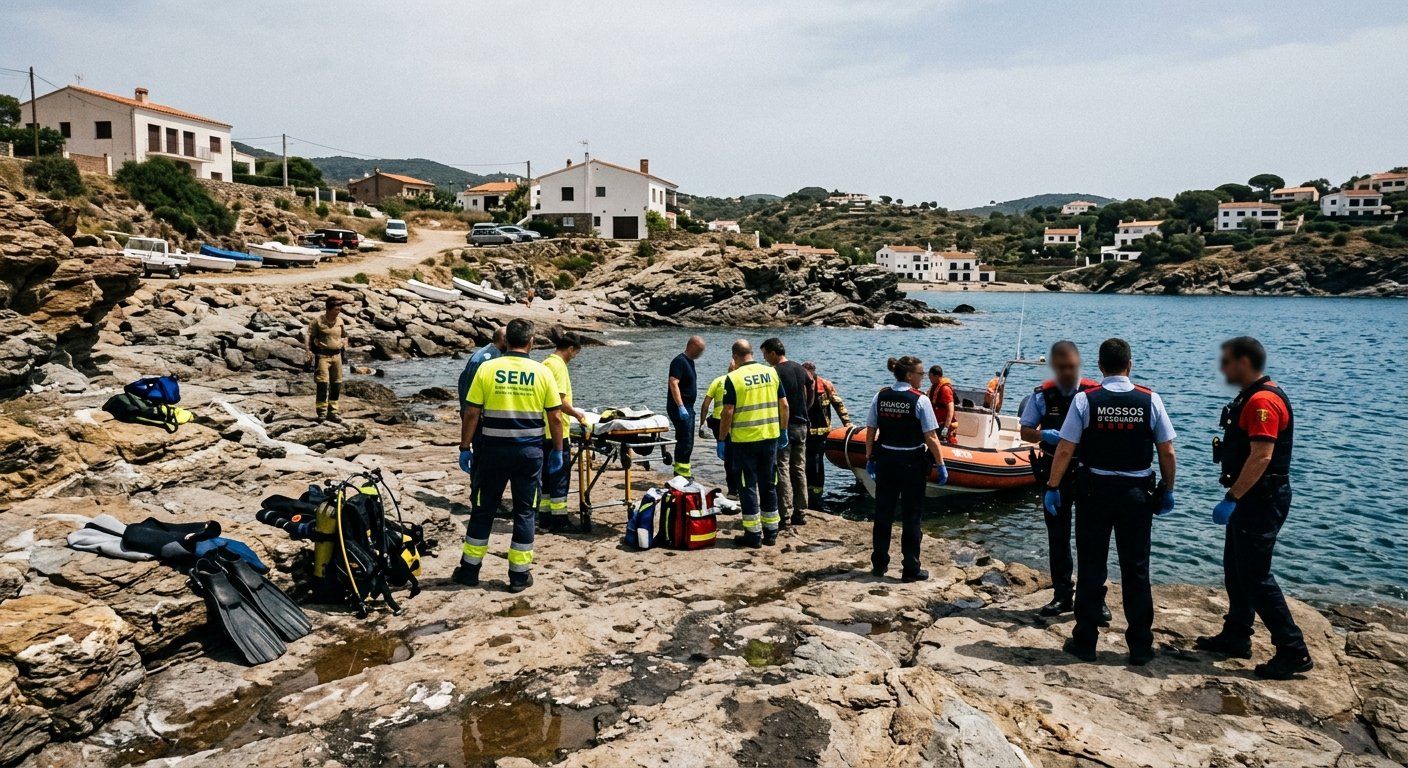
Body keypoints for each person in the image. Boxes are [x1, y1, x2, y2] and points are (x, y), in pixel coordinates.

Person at [1044, 338, 1177, 666]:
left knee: (1092, 567)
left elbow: (1064, 448)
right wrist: (1167, 489)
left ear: (1100, 367)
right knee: (1136, 569)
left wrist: (1053, 485)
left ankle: (1086, 641)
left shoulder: (1085, 400)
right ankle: (1141, 647)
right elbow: (1167, 450)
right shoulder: (1151, 399)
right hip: (1136, 495)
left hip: (1095, 493)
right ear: (1129, 365)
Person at [1195, 336, 1311, 679]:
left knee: (1256, 575)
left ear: (1244, 362)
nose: (1222, 368)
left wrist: (1232, 498)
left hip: (1260, 499)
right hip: (1250, 497)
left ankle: (1293, 650)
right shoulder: (1251, 396)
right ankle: (1236, 635)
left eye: (1227, 361)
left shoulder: (1262, 401)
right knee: (1236, 568)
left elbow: (1262, 455)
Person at [454, 318, 565, 593]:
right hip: (529, 453)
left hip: (491, 451)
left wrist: (464, 447)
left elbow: (471, 412)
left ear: (506, 340)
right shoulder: (542, 373)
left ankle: (469, 570)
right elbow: (556, 416)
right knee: (525, 512)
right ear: (531, 342)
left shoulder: (488, 369)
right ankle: (518, 575)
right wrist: (558, 451)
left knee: (482, 509)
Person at [1018, 341, 1104, 619]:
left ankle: (1095, 598)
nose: (1067, 371)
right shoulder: (1043, 395)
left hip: (1088, 470)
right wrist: (1045, 435)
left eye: (1071, 366)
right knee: (1058, 536)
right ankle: (1062, 594)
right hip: (1054, 469)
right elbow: (1025, 431)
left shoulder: (1095, 392)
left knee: (1092, 537)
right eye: (1062, 366)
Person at [865, 356, 949, 582]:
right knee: (912, 517)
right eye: (921, 374)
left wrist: (869, 457)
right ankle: (910, 568)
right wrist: (941, 465)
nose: (923, 378)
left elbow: (871, 429)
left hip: (885, 461)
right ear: (910, 375)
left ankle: (879, 564)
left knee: (883, 513)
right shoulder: (920, 400)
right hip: (911, 462)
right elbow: (931, 437)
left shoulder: (880, 395)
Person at [719, 340, 789, 548]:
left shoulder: (733, 378)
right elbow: (784, 405)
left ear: (735, 356)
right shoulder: (772, 373)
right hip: (770, 438)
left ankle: (753, 534)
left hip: (745, 441)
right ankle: (771, 532)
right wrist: (783, 431)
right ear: (751, 353)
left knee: (747, 486)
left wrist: (722, 439)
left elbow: (727, 412)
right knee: (769, 484)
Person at [539, 333, 588, 533]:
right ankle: (559, 520)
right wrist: (577, 413)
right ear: (570, 349)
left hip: (542, 430)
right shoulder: (559, 367)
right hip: (557, 433)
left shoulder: (545, 364)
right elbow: (557, 402)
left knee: (546, 479)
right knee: (559, 478)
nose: (574, 357)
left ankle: (544, 518)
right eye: (575, 353)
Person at [761, 337, 812, 526]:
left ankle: (785, 512)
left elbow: (778, 402)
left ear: (774, 353)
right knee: (799, 468)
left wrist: (780, 427)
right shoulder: (800, 368)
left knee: (782, 467)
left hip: (784, 425)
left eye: (765, 354)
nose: (765, 358)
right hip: (802, 424)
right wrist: (806, 408)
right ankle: (801, 511)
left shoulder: (774, 372)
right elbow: (811, 388)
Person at [801, 361, 852, 510]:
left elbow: (838, 404)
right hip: (804, 431)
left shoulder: (825, 385)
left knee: (816, 464)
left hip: (821, 432)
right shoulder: (799, 385)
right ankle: (805, 494)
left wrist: (847, 424)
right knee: (803, 464)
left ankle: (816, 496)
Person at [699, 361, 740, 497]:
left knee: (728, 458)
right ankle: (740, 487)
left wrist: (702, 423)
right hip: (737, 422)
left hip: (718, 423)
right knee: (738, 456)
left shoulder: (718, 380)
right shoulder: (741, 380)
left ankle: (733, 490)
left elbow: (705, 404)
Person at [667, 336, 705, 478]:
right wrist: (680, 406)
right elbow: (673, 383)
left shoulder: (690, 362)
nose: (701, 354)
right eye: (700, 350)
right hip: (680, 407)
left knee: (687, 440)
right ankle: (681, 474)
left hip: (688, 406)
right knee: (685, 440)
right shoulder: (679, 361)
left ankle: (682, 471)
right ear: (692, 346)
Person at [306, 296, 348, 423]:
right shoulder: (318, 322)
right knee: (322, 384)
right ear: (329, 308)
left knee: (336, 384)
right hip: (323, 356)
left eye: (340, 307)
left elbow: (345, 335)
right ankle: (322, 413)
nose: (339, 310)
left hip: (337, 356)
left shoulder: (340, 321)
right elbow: (309, 335)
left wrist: (345, 342)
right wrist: (308, 350)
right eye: (337, 308)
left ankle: (333, 412)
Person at [458, 327, 506, 415]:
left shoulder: (485, 351)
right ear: (503, 339)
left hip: (468, 406)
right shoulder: (492, 357)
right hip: (476, 411)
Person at [926, 365, 958, 444]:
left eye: (930, 377)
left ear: (937, 376)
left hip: (943, 424)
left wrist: (946, 427)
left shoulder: (945, 389)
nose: (929, 379)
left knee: (947, 441)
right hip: (935, 423)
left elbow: (951, 409)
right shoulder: (934, 387)